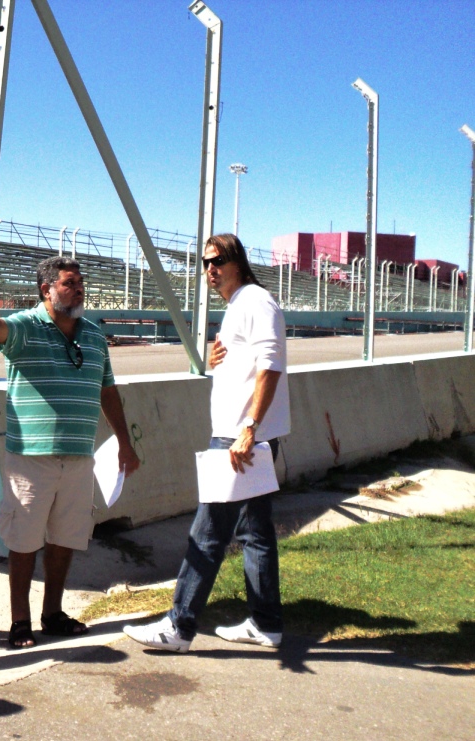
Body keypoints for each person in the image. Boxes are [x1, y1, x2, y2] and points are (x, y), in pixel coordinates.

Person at [0, 256, 141, 649]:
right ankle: (20, 621)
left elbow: (107, 391)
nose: (78, 289)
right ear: (47, 290)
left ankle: (53, 613)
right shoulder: (27, 326)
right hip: (31, 457)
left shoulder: (94, 335)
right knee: (24, 540)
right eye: (69, 283)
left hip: (79, 457)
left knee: (66, 538)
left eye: (80, 283)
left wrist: (125, 443)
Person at [124, 233, 290, 652]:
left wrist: (249, 428)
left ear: (237, 261)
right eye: (204, 263)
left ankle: (179, 626)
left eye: (216, 261)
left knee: (208, 533)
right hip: (245, 436)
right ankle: (266, 623)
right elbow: (249, 362)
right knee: (255, 534)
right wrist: (220, 359)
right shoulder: (239, 306)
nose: (209, 270)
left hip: (242, 438)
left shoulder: (256, 302)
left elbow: (272, 366)